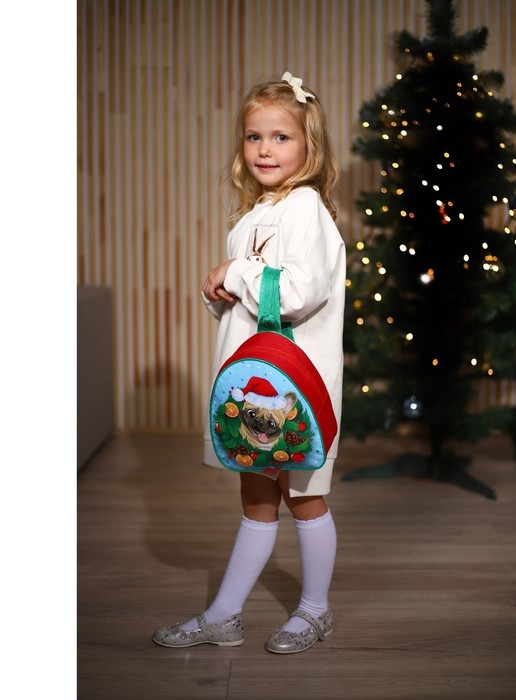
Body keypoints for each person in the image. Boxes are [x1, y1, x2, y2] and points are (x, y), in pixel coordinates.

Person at [152, 72, 345, 654]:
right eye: (254, 136)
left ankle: (315, 611)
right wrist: (221, 294)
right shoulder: (256, 213)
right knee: (257, 500)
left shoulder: (305, 208)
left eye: (282, 137)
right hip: (256, 386)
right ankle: (224, 616)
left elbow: (300, 292)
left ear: (310, 146)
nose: (265, 149)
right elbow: (250, 305)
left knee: (304, 496)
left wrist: (235, 272)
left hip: (296, 390)